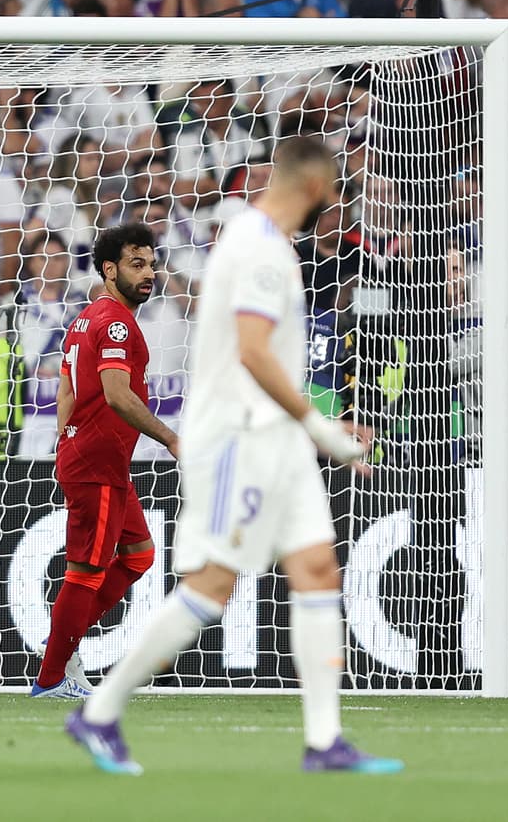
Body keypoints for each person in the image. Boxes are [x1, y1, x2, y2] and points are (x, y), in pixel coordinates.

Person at [66, 136, 403, 775]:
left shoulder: (262, 243)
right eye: (330, 195)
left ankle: (325, 741)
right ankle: (101, 710)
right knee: (212, 583)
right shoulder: (259, 250)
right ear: (311, 187)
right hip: (237, 440)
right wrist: (322, 427)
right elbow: (252, 351)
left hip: (275, 438)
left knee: (316, 571)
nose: (331, 207)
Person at [31, 223, 179, 698]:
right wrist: (172, 438)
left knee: (139, 555)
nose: (149, 273)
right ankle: (52, 677)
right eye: (137, 264)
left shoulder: (86, 317)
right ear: (110, 270)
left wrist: (65, 437)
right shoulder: (115, 321)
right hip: (96, 459)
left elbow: (67, 386)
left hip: (98, 457)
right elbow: (117, 394)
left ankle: (62, 643)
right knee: (87, 569)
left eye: (152, 264)